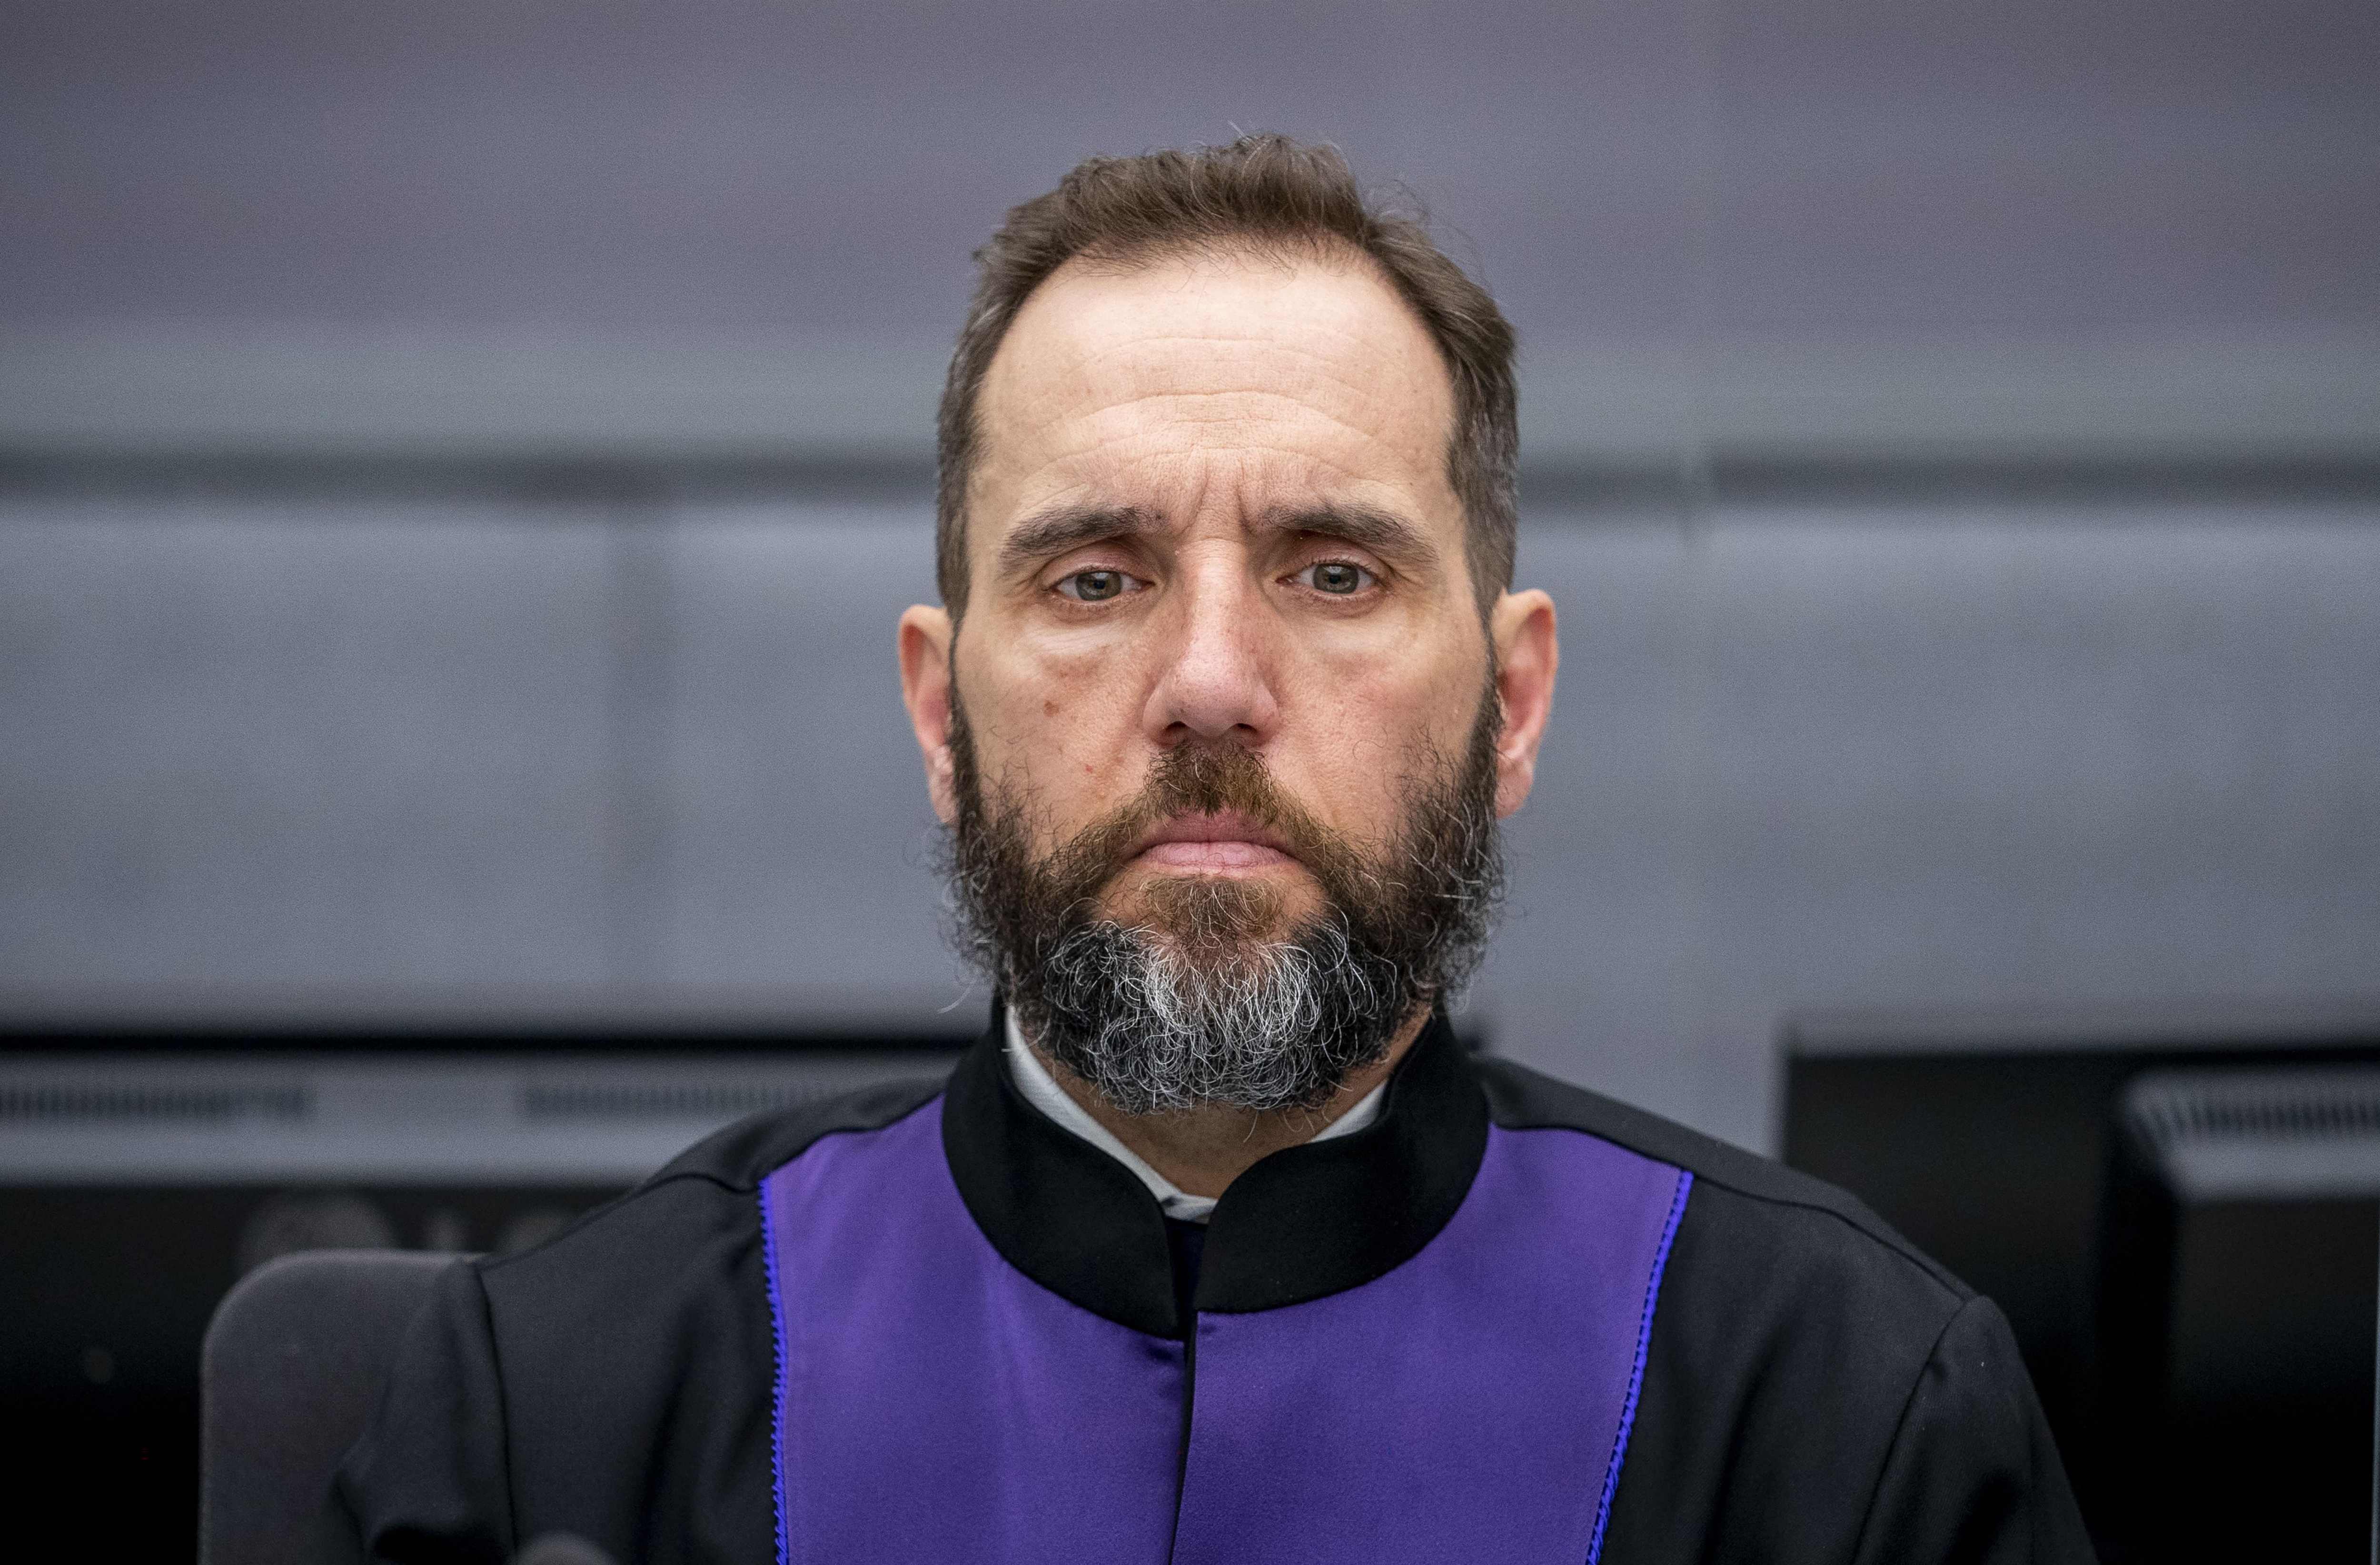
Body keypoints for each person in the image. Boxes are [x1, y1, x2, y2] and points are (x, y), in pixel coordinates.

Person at [340, 135, 2094, 1565]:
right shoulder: (558, 1418)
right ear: (944, 716)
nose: (1206, 684)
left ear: (1517, 702)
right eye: (1093, 579)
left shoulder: (1849, 1420)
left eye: (1335, 573)